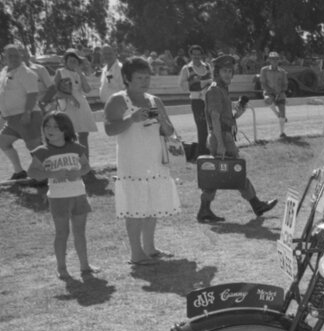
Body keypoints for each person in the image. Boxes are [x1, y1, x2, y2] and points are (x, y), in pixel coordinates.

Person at [103, 56, 181, 265]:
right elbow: (110, 129)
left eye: (147, 77)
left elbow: (169, 130)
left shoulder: (155, 101)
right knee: (134, 208)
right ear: (127, 78)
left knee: (152, 206)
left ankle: (150, 247)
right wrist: (131, 119)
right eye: (139, 78)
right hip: (132, 163)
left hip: (155, 161)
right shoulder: (118, 100)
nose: (144, 82)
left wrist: (163, 123)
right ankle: (135, 253)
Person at [199, 54, 278, 223]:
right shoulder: (214, 90)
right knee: (232, 171)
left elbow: (224, 118)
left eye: (230, 71)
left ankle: (205, 209)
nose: (228, 74)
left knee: (220, 172)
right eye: (224, 71)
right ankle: (256, 204)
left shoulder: (221, 89)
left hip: (224, 135)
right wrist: (220, 143)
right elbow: (214, 117)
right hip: (221, 137)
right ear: (217, 72)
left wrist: (237, 114)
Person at [27, 112, 97, 279]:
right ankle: (61, 268)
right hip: (58, 199)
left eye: (56, 127)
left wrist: (78, 172)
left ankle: (85, 266)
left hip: (78, 195)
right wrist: (51, 174)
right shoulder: (41, 151)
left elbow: (86, 167)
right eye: (47, 126)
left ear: (65, 130)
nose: (50, 129)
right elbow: (32, 172)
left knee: (80, 233)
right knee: (62, 233)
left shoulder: (76, 148)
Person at [53, 49, 99, 183]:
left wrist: (80, 73)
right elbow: (55, 90)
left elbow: (87, 90)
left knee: (84, 135)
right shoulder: (60, 72)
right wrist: (70, 97)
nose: (73, 63)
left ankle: (86, 165)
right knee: (68, 135)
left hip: (81, 105)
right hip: (67, 105)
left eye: (75, 61)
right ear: (65, 61)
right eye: (70, 60)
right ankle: (69, 166)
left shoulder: (79, 74)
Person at [0, 43, 41, 181]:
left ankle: (43, 176)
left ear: (21, 56)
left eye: (16, 55)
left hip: (26, 115)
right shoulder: (4, 72)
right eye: (9, 55)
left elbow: (32, 94)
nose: (13, 58)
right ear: (4, 57)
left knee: (34, 147)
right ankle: (19, 172)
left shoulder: (26, 73)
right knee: (2, 142)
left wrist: (27, 113)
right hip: (11, 119)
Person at [177, 45, 212, 156]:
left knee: (212, 125)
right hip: (197, 100)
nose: (196, 56)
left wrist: (207, 85)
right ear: (191, 55)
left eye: (198, 54)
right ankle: (202, 152)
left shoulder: (207, 66)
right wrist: (197, 84)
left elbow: (213, 80)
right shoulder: (186, 68)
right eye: (194, 54)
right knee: (201, 126)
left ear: (201, 55)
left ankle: (212, 148)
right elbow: (182, 85)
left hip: (210, 99)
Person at [259, 51, 289, 138]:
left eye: (276, 59)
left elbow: (285, 84)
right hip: (269, 92)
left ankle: (282, 132)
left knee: (282, 109)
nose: (274, 61)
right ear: (269, 60)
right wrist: (271, 91)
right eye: (272, 59)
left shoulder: (282, 72)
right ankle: (277, 114)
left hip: (280, 93)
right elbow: (263, 83)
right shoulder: (264, 70)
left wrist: (280, 92)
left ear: (278, 60)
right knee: (268, 99)